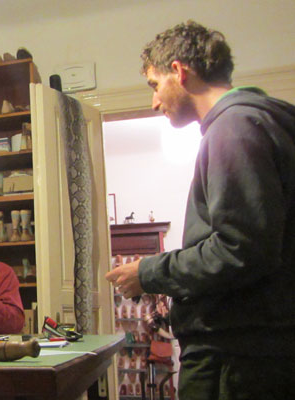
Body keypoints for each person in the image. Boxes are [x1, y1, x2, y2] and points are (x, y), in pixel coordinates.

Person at [105, 21, 295, 399]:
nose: (154, 102)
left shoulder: (233, 128)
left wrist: (148, 272)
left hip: (234, 361)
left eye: (154, 85)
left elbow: (241, 250)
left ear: (179, 71)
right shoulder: (268, 120)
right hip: (260, 353)